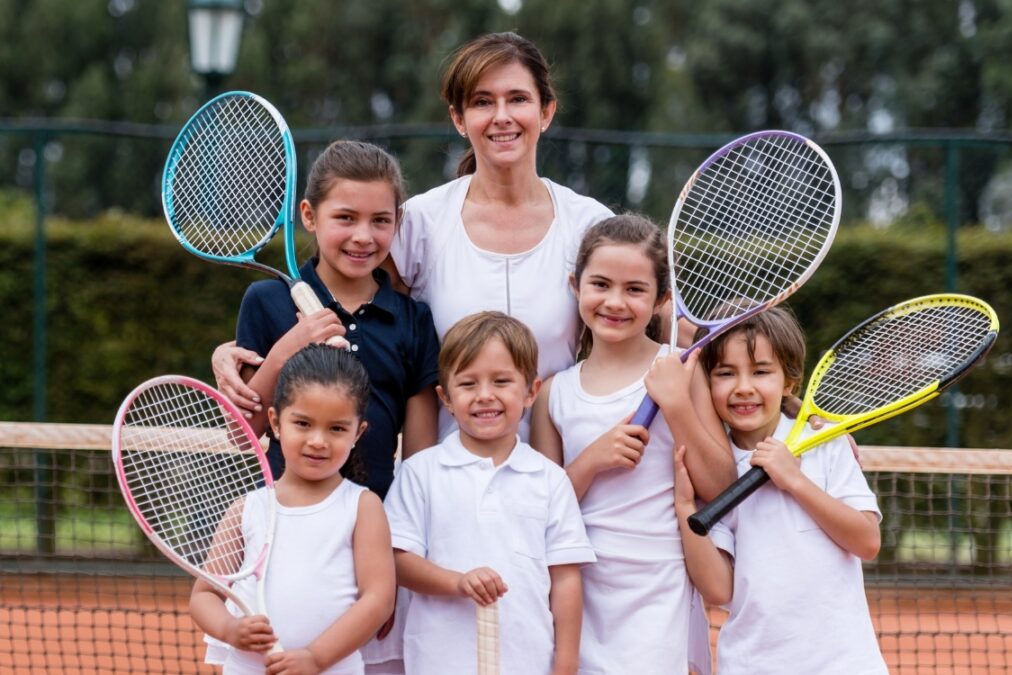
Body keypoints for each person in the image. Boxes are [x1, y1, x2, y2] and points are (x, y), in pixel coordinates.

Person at [530, 214, 735, 674]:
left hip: (662, 589)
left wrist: (677, 405)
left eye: (635, 289)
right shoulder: (552, 393)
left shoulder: (680, 371)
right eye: (600, 284)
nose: (615, 302)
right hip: (579, 590)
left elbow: (721, 486)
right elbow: (538, 511)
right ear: (574, 285)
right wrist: (590, 461)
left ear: (662, 299)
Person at [385, 31, 614, 440]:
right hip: (444, 486)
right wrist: (235, 353)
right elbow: (351, 318)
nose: (501, 116)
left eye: (518, 99)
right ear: (459, 119)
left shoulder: (590, 224)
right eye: (482, 102)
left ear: (547, 113)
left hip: (558, 480)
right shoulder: (419, 222)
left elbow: (651, 326)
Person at [217, 139, 440, 500]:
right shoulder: (264, 301)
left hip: (377, 525)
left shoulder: (414, 319)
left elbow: (420, 459)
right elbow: (241, 433)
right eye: (345, 218)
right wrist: (290, 347)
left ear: (397, 221)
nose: (363, 236)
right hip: (285, 525)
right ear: (309, 215)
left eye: (380, 220)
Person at [671, 306, 887, 674]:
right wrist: (685, 505)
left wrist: (795, 481)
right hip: (751, 664)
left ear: (788, 382)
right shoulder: (713, 469)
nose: (743, 387)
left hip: (845, 664)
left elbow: (867, 541)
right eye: (725, 373)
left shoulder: (825, 443)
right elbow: (718, 590)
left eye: (761, 372)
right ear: (707, 385)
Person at [384, 311, 595, 674]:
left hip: (528, 662)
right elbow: (398, 562)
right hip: (440, 662)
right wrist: (457, 582)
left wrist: (566, 662)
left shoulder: (550, 479)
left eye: (501, 381)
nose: (485, 396)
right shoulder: (420, 472)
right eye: (467, 384)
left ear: (531, 391)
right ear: (445, 397)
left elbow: (566, 578)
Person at [190, 343, 396, 674]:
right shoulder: (247, 508)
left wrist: (316, 657)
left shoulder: (363, 506)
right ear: (275, 421)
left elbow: (379, 600)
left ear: (358, 432)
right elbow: (204, 596)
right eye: (302, 423)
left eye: (337, 428)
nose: (318, 440)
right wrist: (231, 629)